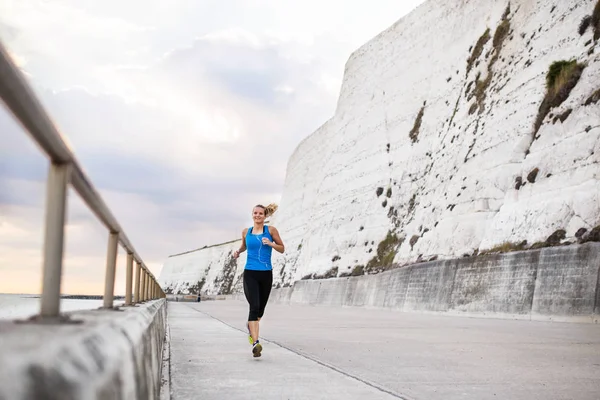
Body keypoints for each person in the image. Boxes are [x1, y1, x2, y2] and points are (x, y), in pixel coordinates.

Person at [233, 204, 285, 357]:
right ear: (252, 215)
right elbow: (244, 247)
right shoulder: (246, 232)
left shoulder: (271, 231)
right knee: (254, 306)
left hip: (266, 274)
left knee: (260, 310)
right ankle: (256, 344)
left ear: (265, 216)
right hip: (250, 273)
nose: (257, 215)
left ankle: (251, 326)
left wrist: (271, 244)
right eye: (255, 213)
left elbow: (282, 248)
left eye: (260, 213)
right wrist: (237, 252)